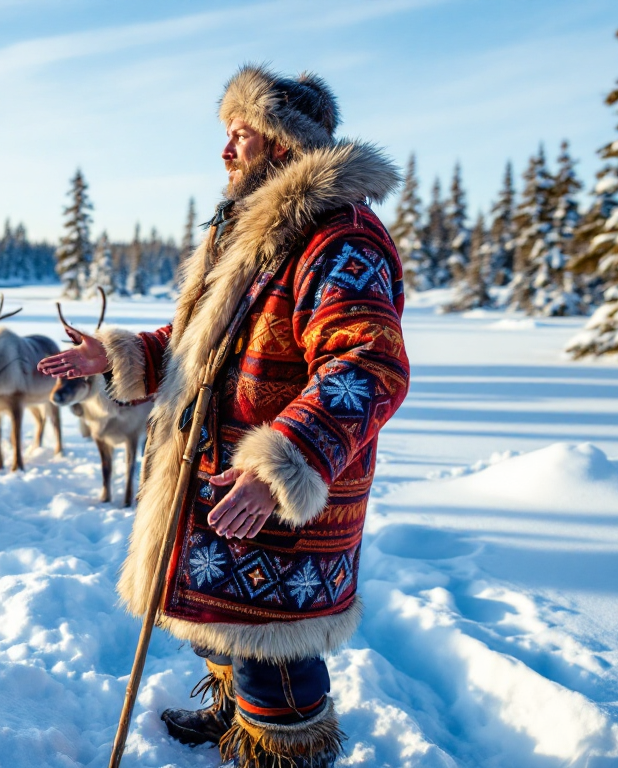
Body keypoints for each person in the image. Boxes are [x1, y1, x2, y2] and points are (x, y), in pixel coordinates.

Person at [39, 65, 409, 767]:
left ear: (281, 142)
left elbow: (368, 365)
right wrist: (122, 355)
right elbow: (207, 346)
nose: (225, 150)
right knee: (220, 618)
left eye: (240, 134)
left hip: (275, 492)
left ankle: (288, 752)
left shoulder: (340, 240)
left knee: (274, 651)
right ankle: (234, 716)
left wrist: (284, 463)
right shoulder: (252, 232)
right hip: (215, 473)